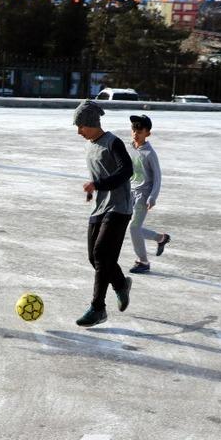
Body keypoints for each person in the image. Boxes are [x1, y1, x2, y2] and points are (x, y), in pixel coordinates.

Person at [73, 100, 134, 328]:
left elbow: (127, 170)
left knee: (101, 253)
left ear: (91, 122)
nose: (79, 131)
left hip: (119, 207)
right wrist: (93, 191)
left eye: (81, 126)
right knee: (94, 257)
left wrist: (98, 184)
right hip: (99, 206)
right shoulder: (90, 145)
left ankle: (98, 308)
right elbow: (98, 173)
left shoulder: (113, 142)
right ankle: (120, 283)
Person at [127, 114, 170, 274]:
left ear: (147, 133)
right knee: (132, 228)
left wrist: (153, 197)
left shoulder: (150, 154)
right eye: (134, 130)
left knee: (134, 227)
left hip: (143, 195)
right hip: (130, 192)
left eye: (139, 131)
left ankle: (143, 261)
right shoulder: (130, 147)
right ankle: (161, 238)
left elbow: (157, 178)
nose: (135, 134)